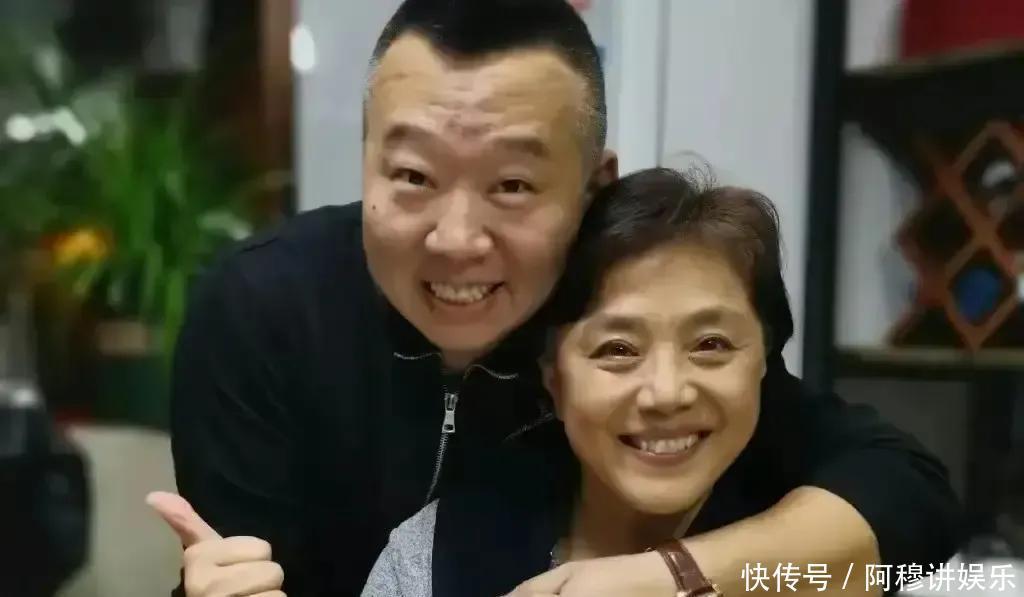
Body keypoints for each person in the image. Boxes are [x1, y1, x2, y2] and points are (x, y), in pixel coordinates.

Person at [150, 1, 962, 595]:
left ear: (594, 186)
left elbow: (907, 498)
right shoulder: (262, 310)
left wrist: (669, 576)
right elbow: (237, 568)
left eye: (512, 185)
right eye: (413, 176)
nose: (456, 239)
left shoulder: (605, 307)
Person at [360, 168, 891, 597]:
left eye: (711, 344)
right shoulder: (436, 560)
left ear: (764, 363)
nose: (667, 392)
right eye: (617, 350)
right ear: (554, 379)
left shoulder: (833, 559)